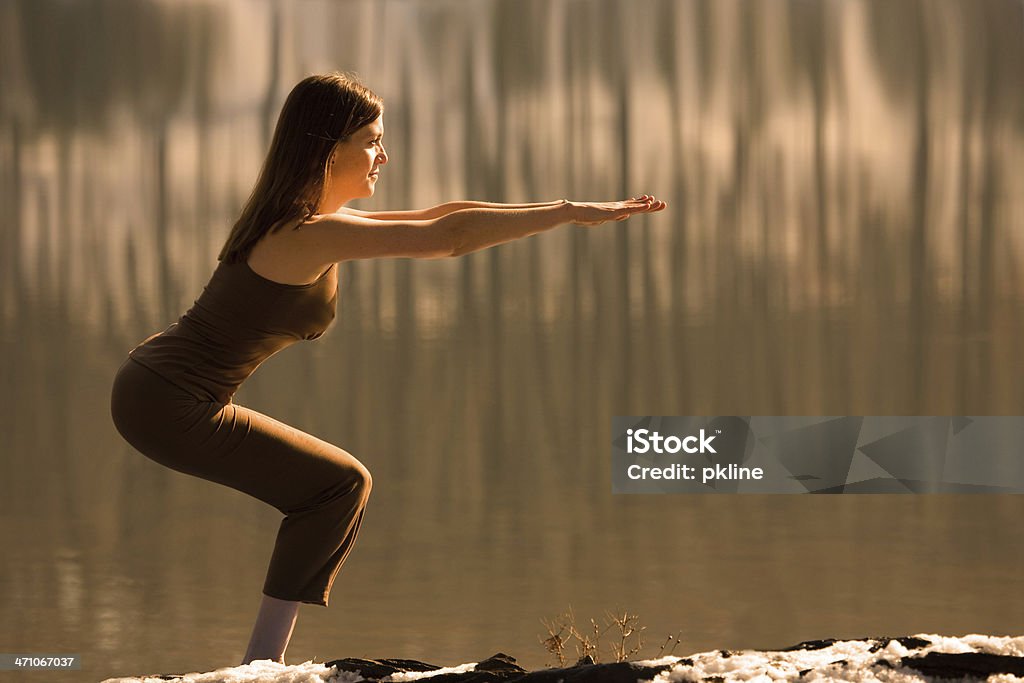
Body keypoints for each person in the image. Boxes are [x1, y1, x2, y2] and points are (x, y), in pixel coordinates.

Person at [109, 71, 666, 667]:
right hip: (167, 402)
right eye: (372, 140)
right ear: (328, 147)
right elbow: (447, 238)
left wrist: (570, 208)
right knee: (337, 486)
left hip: (162, 389)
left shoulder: (306, 224)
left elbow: (444, 214)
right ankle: (261, 666)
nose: (384, 155)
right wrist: (566, 214)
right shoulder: (303, 234)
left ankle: (262, 662)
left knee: (335, 486)